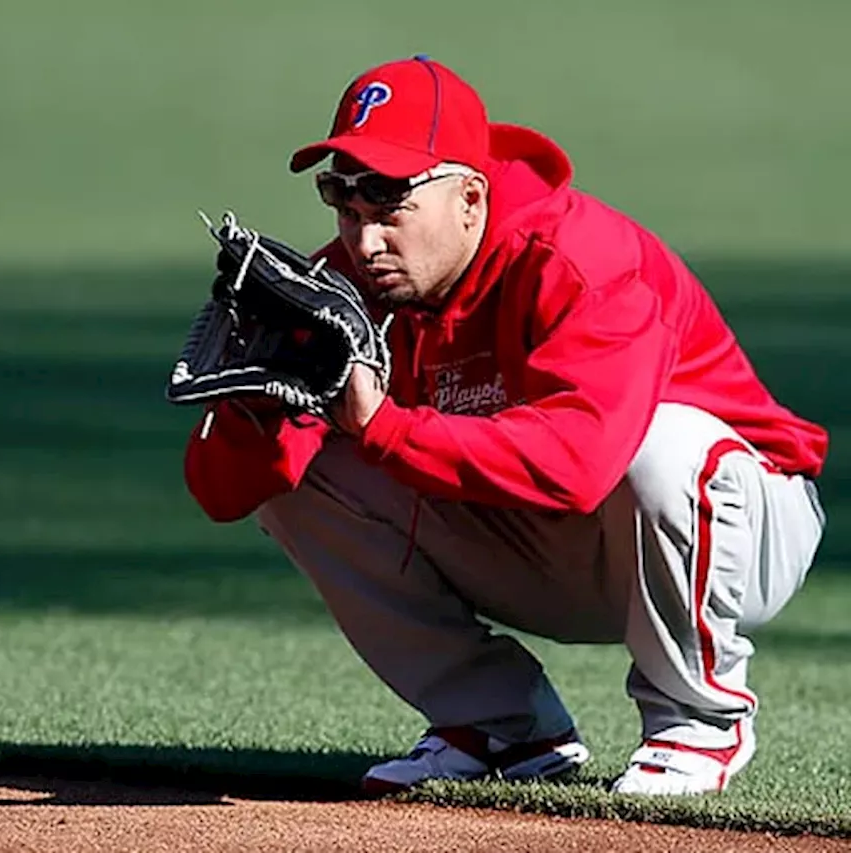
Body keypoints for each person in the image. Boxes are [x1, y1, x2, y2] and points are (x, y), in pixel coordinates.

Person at [180, 54, 828, 796]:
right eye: (346, 206)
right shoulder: (350, 287)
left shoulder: (581, 260)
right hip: (559, 542)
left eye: (391, 205)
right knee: (302, 474)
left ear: (469, 196)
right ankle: (499, 724)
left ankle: (697, 718)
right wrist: (254, 415)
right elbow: (225, 494)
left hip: (743, 530)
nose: (365, 242)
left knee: (664, 447)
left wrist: (383, 425)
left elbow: (582, 463)